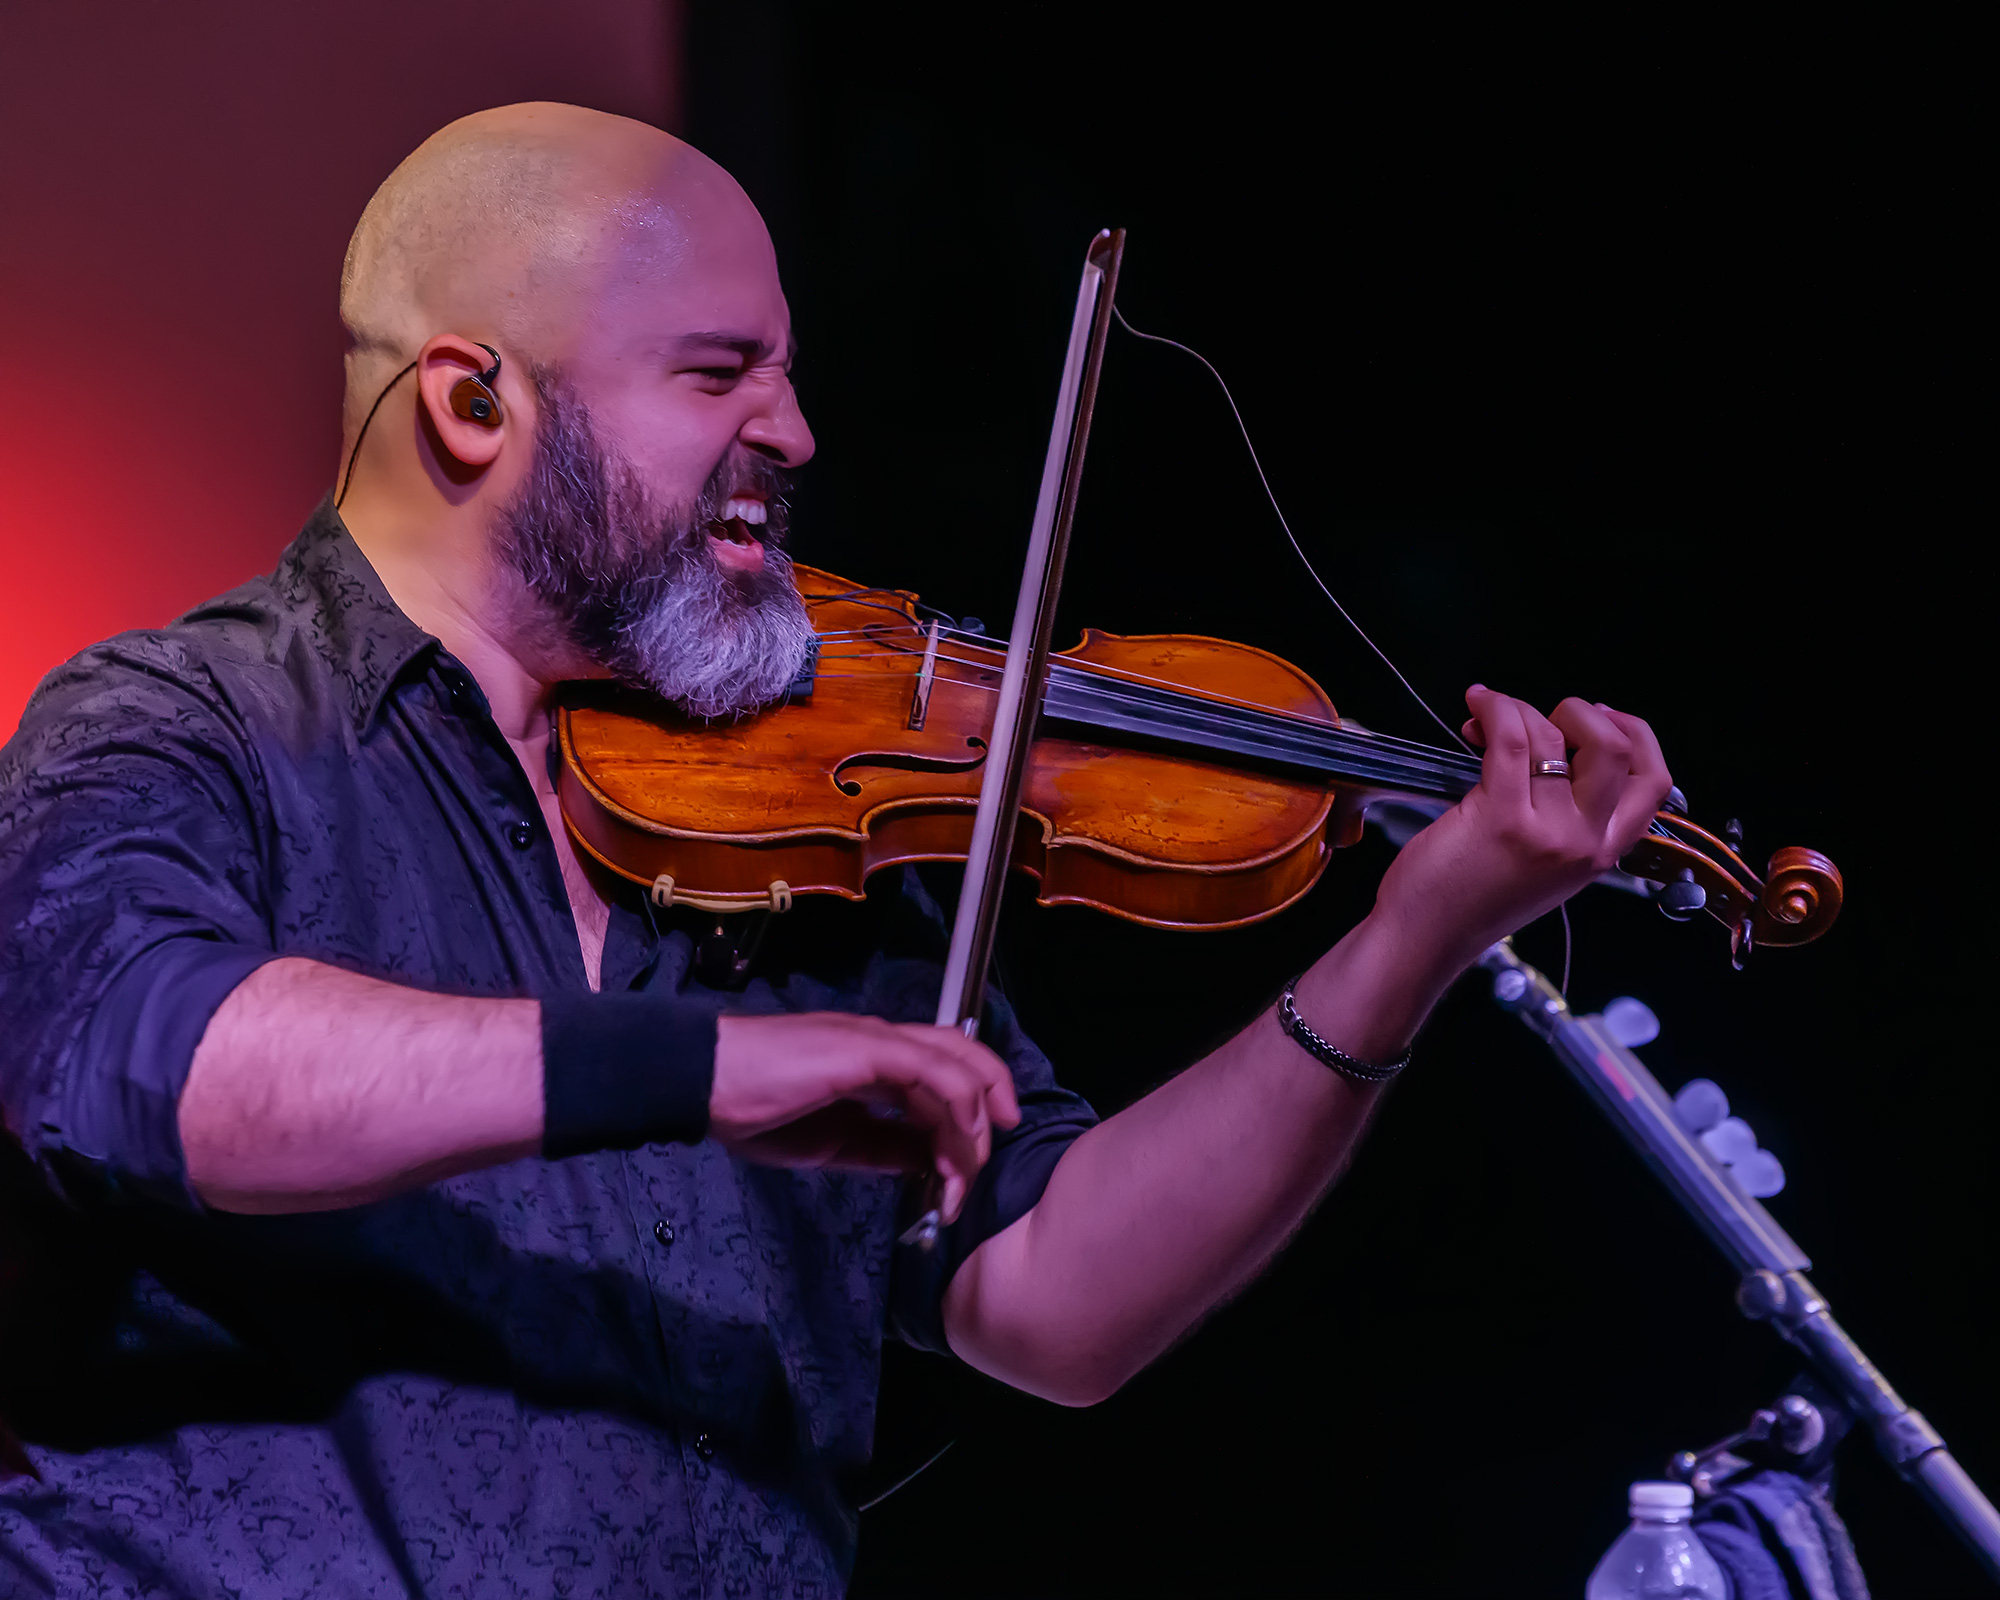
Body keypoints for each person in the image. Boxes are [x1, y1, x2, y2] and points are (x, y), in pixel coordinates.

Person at [0, 103, 1670, 1597]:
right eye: (718, 372)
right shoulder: (183, 722)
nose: (794, 433)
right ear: (474, 400)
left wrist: (1410, 940)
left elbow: (1053, 1300)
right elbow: (147, 1061)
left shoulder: (793, 822)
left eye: (787, 372)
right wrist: (703, 1069)